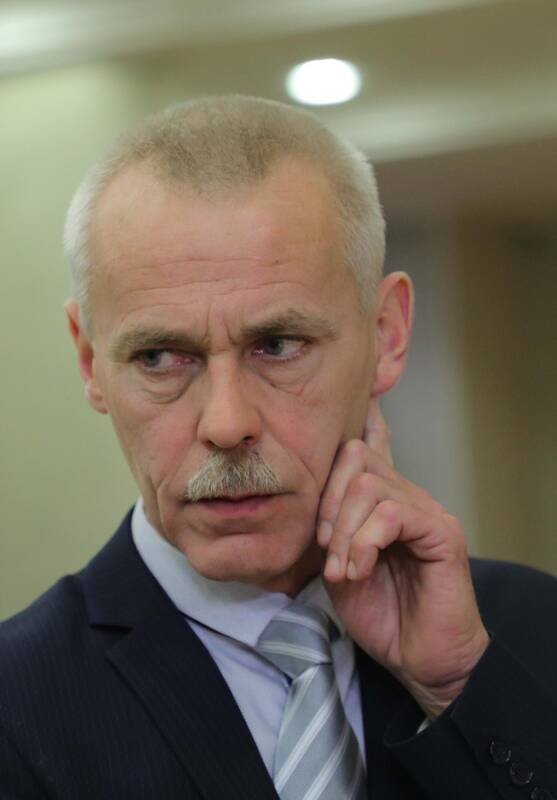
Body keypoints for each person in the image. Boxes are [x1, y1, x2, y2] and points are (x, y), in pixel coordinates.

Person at [0, 95, 555, 800]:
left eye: (278, 345)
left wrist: (460, 689)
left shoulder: (530, 635)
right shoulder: (16, 709)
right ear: (89, 362)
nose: (226, 423)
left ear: (386, 335)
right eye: (160, 357)